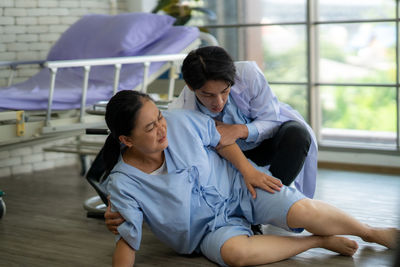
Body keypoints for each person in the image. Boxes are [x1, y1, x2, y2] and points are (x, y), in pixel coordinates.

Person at [103, 90, 397, 267]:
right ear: (126, 139)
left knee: (304, 210)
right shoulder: (123, 184)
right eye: (150, 127)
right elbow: (126, 241)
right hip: (206, 232)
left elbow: (221, 140)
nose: (162, 128)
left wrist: (249, 171)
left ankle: (370, 232)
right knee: (237, 256)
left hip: (240, 188)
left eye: (160, 118)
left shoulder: (179, 122)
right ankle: (317, 241)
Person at [104, 45, 317, 234]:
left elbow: (271, 118)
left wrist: (240, 130)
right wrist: (117, 203)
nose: (218, 102)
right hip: (225, 158)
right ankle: (245, 215)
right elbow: (138, 150)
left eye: (224, 92)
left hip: (264, 141)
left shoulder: (248, 74)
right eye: (207, 95)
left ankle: (272, 202)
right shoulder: (182, 110)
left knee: (297, 134)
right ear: (189, 86)